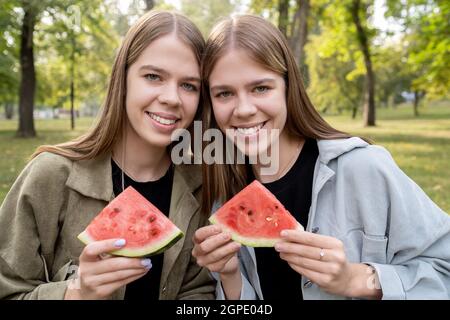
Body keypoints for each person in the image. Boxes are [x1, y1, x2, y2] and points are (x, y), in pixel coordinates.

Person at [191, 14, 450, 300]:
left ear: (288, 87)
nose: (243, 109)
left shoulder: (364, 168)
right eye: (224, 94)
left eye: (261, 88)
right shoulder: (226, 197)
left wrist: (356, 279)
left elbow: (444, 270)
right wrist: (229, 276)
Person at [0, 10, 215, 300]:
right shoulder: (50, 175)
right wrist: (76, 293)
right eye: (153, 76)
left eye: (188, 85)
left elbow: (197, 291)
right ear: (122, 79)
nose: (171, 98)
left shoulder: (201, 186)